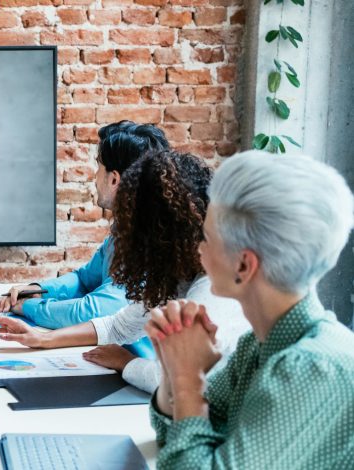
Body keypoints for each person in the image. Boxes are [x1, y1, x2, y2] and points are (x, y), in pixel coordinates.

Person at [145, 152, 354, 468]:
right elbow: (174, 433)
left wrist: (189, 377)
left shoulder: (309, 367)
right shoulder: (258, 346)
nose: (199, 248)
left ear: (244, 265)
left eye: (207, 237)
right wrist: (172, 364)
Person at [0, 151, 250, 393]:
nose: (124, 234)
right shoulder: (178, 273)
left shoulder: (214, 288)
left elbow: (171, 381)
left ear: (159, 231)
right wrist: (42, 339)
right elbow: (121, 325)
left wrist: (126, 362)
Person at [0, 120, 169, 357]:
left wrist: (28, 308)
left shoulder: (147, 242)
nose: (94, 177)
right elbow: (85, 278)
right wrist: (38, 289)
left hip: (139, 375)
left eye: (99, 166)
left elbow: (96, 310)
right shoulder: (124, 231)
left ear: (114, 179)